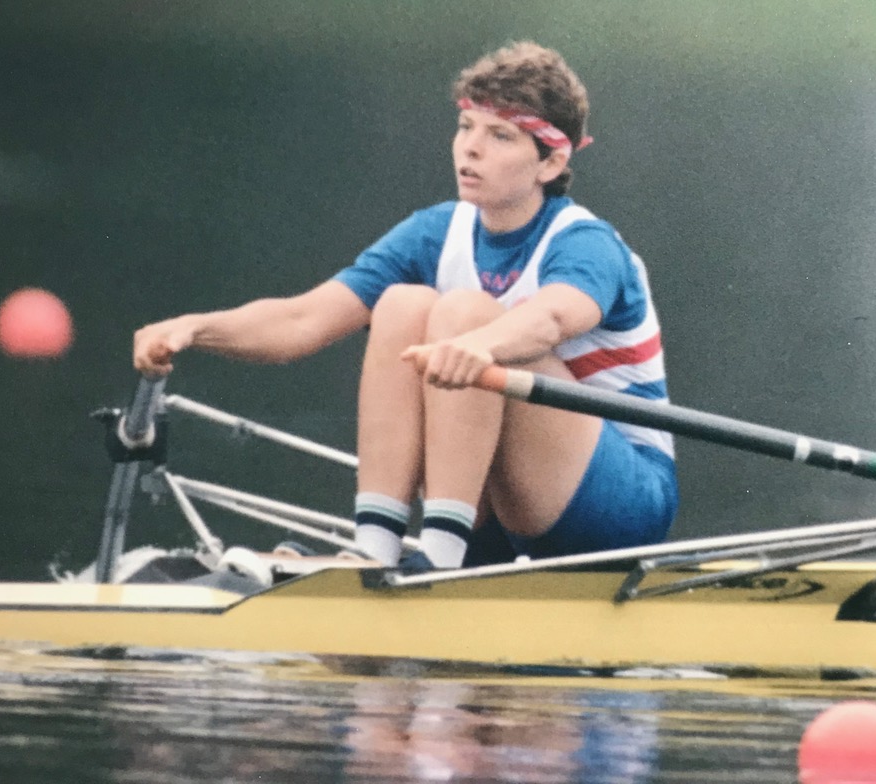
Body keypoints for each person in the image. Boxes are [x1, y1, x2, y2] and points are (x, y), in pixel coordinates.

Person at [133, 41, 677, 572]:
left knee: (463, 313)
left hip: (616, 507)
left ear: (550, 161)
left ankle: (439, 558)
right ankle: (376, 548)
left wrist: (476, 343)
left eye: (500, 136)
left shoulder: (585, 243)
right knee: (400, 304)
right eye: (466, 128)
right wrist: (196, 327)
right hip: (497, 510)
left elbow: (553, 317)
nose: (470, 148)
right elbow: (302, 320)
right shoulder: (436, 232)